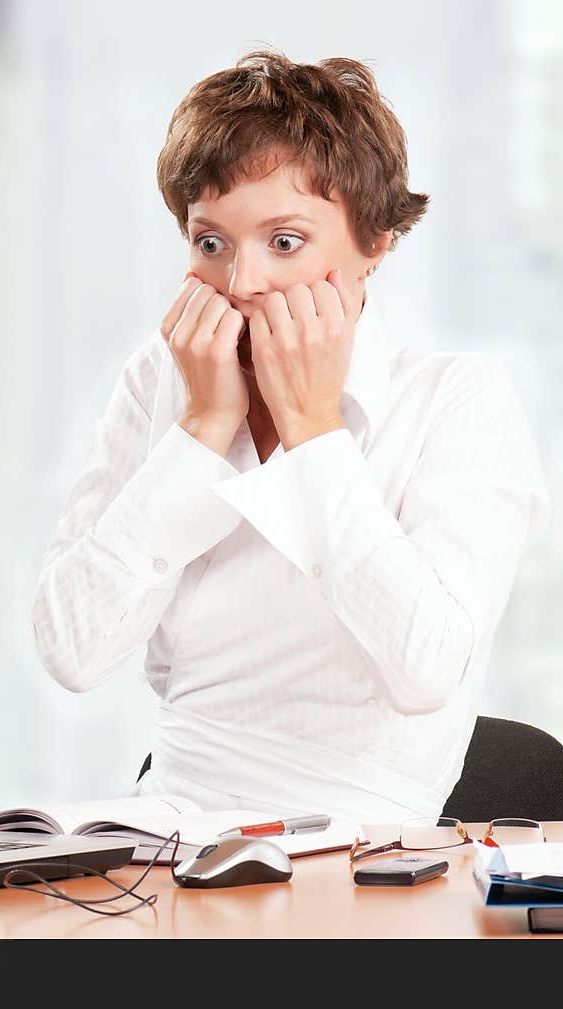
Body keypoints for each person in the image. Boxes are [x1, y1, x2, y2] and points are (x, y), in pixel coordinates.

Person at [31, 49, 551, 823]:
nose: (241, 285)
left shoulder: (456, 401)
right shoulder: (163, 381)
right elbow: (72, 650)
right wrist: (202, 427)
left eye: (284, 242)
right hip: (162, 834)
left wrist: (312, 428)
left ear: (375, 242)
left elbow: (425, 671)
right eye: (211, 243)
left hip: (364, 855)